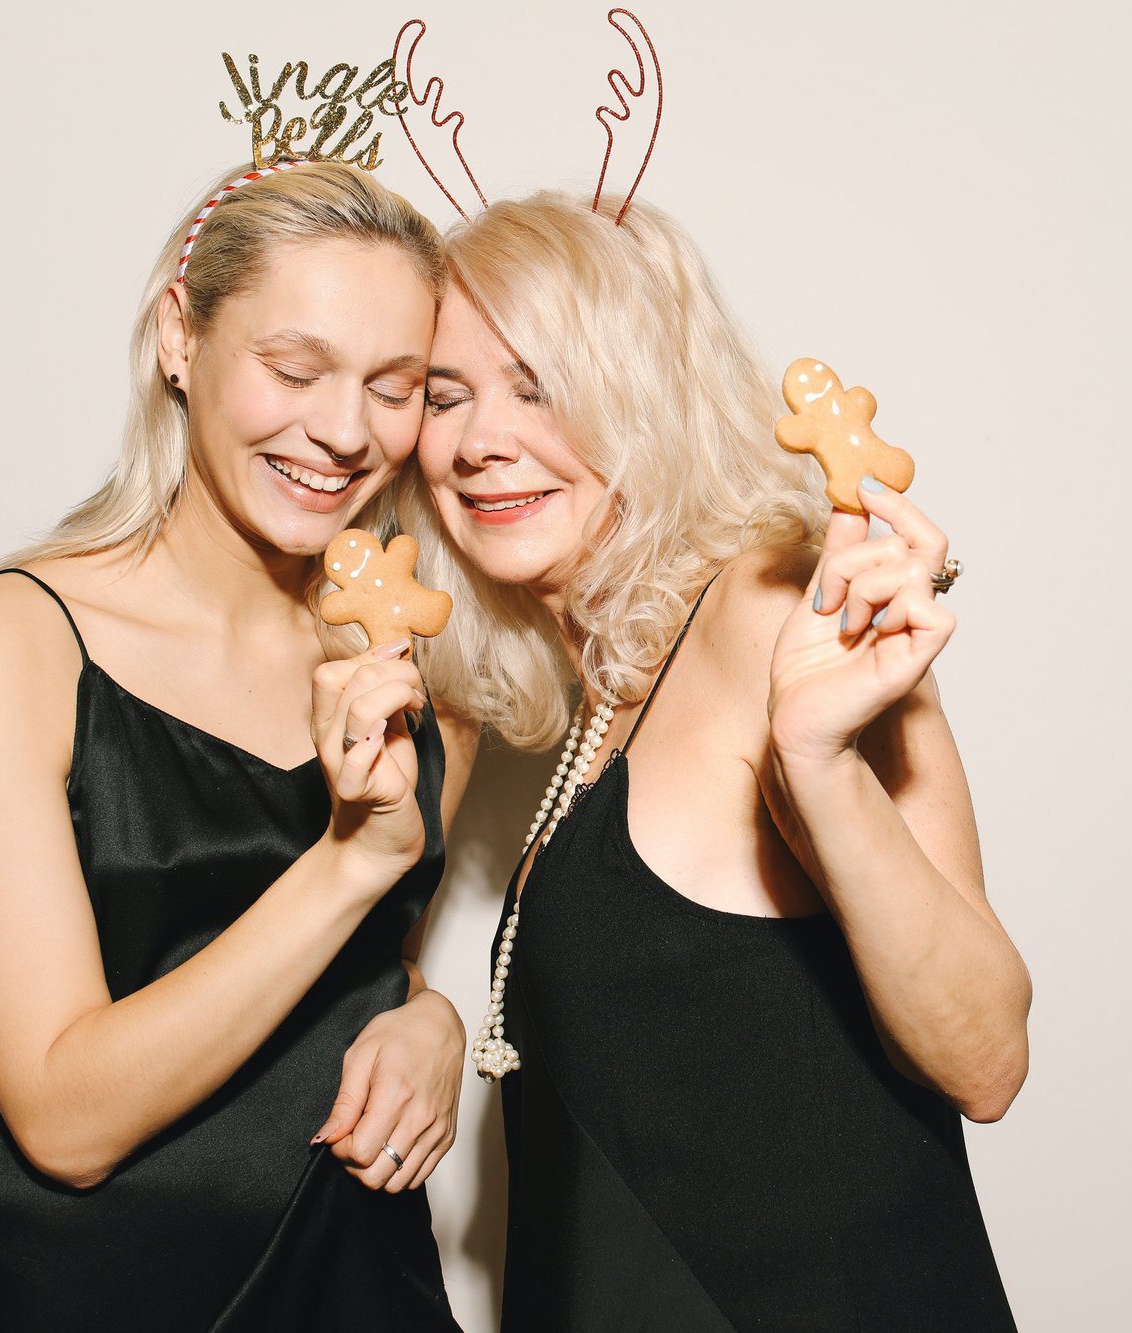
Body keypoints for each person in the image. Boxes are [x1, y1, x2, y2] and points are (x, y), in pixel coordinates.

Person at [404, 191, 1033, 1330]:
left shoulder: (772, 608)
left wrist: (817, 764)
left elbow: (984, 1056)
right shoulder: (590, 706)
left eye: (537, 385)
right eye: (446, 396)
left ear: (639, 398)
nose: (479, 439)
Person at [0, 160, 474, 1331]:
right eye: (293, 367)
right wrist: (350, 857)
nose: (340, 430)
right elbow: (63, 1117)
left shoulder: (421, 679)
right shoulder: (0, 646)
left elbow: (344, 975)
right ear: (179, 333)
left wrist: (430, 1016)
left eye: (394, 385)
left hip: (365, 1289)